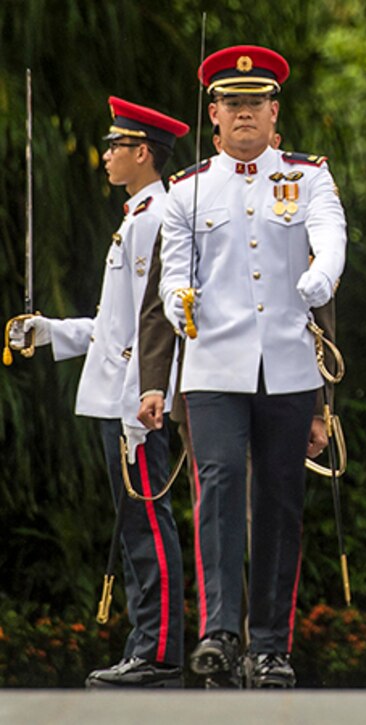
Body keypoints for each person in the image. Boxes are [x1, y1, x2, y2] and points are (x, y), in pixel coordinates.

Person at [157, 44, 347, 688]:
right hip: (212, 364)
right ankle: (218, 633)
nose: (244, 115)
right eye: (231, 104)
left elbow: (330, 234)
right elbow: (172, 273)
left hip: (290, 364)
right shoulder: (187, 189)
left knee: (280, 501)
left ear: (274, 111)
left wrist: (322, 274)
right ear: (214, 114)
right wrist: (175, 298)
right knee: (219, 490)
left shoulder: (308, 175)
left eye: (255, 104)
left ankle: (270, 645)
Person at [10, 97, 189, 687]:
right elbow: (114, 326)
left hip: (137, 403)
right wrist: (51, 331)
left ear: (143, 153)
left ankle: (159, 652)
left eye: (115, 146)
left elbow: (157, 322)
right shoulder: (135, 217)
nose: (106, 155)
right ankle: (147, 644)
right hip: (124, 397)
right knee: (136, 525)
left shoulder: (155, 218)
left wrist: (147, 396)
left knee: (147, 526)